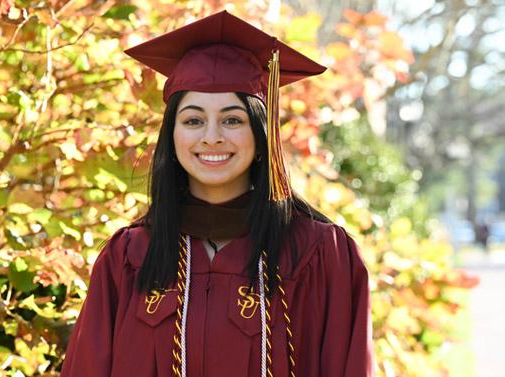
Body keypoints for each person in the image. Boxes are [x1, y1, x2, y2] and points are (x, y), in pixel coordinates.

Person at [60, 10, 374, 377]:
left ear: (261, 133)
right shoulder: (129, 257)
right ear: (172, 136)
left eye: (232, 120)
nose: (211, 136)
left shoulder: (319, 254)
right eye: (193, 120)